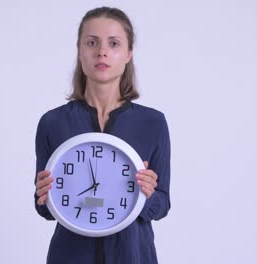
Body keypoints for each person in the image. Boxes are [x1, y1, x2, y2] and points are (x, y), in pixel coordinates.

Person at [34, 6, 171, 264]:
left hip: (133, 256)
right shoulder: (52, 123)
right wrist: (43, 194)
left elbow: (163, 204)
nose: (102, 51)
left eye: (114, 43)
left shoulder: (153, 123)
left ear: (128, 53)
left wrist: (149, 194)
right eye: (92, 42)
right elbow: (44, 208)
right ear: (79, 51)